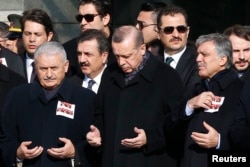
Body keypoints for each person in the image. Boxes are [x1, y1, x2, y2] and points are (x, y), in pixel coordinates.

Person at [86, 25, 184, 167]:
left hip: (150, 160)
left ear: (142, 49)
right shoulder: (111, 73)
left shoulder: (166, 76)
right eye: (117, 56)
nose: (121, 62)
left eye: (127, 56)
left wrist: (149, 138)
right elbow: (100, 113)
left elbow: (177, 123)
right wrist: (97, 133)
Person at [0, 41, 96, 167]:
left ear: (66, 66)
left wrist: (75, 152)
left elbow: (93, 144)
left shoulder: (85, 98)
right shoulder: (17, 96)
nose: (49, 74)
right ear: (35, 67)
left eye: (54, 68)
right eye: (43, 69)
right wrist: (16, 153)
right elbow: (5, 137)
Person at [179, 33, 243, 167]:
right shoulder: (193, 90)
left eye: (204, 54)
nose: (198, 59)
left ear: (222, 60)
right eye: (197, 54)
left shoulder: (241, 90)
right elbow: (169, 129)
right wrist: (189, 106)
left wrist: (220, 141)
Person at [64, 0, 114, 77]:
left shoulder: (121, 45)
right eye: (80, 18)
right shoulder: (69, 49)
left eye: (89, 17)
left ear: (105, 19)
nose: (83, 22)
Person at [157, 4, 200, 88]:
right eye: (168, 30)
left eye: (181, 29)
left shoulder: (198, 61)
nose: (176, 34)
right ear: (158, 33)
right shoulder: (152, 63)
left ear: (187, 32)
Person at [70, 29, 109, 93]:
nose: (82, 60)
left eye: (88, 54)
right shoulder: (71, 84)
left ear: (104, 56)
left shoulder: (115, 83)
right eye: (79, 54)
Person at [20, 8, 54, 83]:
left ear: (49, 36)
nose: (32, 39)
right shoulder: (13, 64)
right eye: (27, 34)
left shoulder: (58, 65)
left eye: (37, 34)